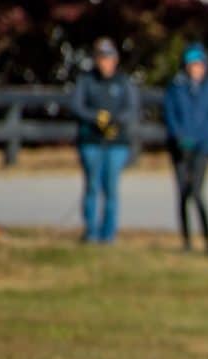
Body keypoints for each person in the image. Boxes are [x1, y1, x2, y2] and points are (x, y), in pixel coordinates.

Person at [70, 37, 140, 244]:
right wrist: (95, 118)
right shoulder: (87, 81)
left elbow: (131, 108)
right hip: (91, 141)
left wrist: (115, 121)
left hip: (116, 143)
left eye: (109, 58)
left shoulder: (123, 82)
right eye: (102, 58)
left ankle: (108, 234)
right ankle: (91, 231)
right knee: (91, 186)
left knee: (111, 188)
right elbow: (76, 106)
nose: (105, 63)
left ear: (115, 60)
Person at [162, 44, 208, 255]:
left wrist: (197, 140)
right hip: (179, 148)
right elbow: (170, 114)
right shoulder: (176, 87)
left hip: (202, 148)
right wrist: (179, 138)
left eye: (198, 65)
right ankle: (186, 242)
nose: (195, 69)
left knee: (196, 193)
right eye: (191, 65)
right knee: (182, 194)